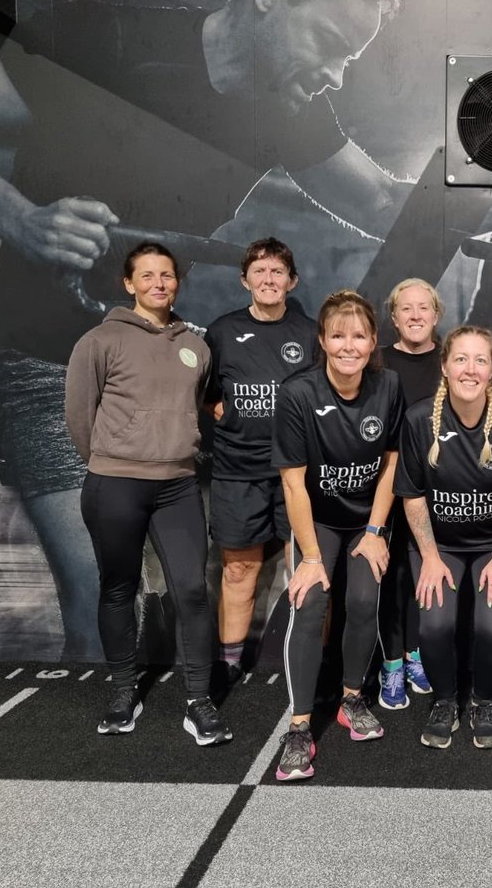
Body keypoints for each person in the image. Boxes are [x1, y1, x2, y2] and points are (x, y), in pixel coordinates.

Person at [0, 0, 407, 659]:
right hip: (41, 361)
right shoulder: (99, 31)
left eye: (351, 59)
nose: (336, 74)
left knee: (182, 604)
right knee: (108, 602)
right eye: (331, 45)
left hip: (151, 373)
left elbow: (380, 197)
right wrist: (21, 219)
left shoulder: (286, 107)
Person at [64, 242, 231, 745]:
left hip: (178, 486)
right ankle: (121, 691)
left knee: (194, 592)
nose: (159, 283)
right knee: (118, 588)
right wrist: (114, 460)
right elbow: (79, 415)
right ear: (129, 283)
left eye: (168, 275)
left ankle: (198, 702)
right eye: (148, 275)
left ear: (177, 283)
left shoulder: (196, 346)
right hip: (115, 485)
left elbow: (197, 406)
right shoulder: (99, 340)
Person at [269, 290, 403, 781]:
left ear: (372, 342)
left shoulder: (387, 385)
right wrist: (309, 556)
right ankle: (300, 726)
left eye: (359, 336)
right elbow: (292, 482)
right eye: (338, 335)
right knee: (311, 602)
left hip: (364, 521)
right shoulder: (299, 393)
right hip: (318, 521)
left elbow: (391, 462)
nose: (349, 345)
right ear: (323, 341)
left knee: (365, 599)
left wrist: (374, 530)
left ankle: (351, 699)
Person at [395, 326, 492, 750]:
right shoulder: (419, 419)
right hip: (438, 545)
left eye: (480, 360)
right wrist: (429, 557)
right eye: (461, 359)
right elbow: (412, 495)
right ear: (444, 366)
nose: (470, 369)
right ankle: (444, 701)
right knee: (437, 623)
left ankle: (482, 701)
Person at [204, 237, 316, 682]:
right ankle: (229, 662)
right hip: (238, 472)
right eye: (260, 271)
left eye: (277, 272)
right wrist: (223, 411)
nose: (268, 279)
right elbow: (207, 396)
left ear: (292, 281)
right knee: (239, 570)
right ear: (244, 279)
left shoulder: (309, 333)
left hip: (298, 476)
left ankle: (314, 665)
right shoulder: (222, 331)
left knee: (307, 571)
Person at [375, 278, 443, 709]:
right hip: (384, 485)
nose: (415, 316)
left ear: (436, 315)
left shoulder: (451, 361)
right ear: (394, 316)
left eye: (424, 308)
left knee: (424, 574)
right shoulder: (376, 362)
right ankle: (391, 663)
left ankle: (416, 653)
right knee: (392, 577)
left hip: (437, 490)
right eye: (406, 308)